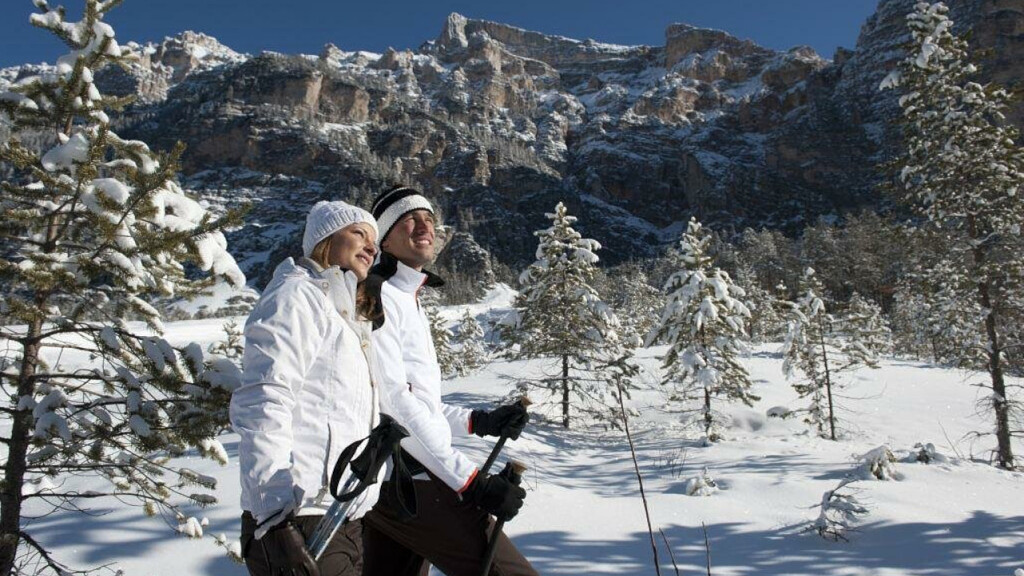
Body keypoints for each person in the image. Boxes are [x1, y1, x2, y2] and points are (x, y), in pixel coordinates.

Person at [361, 185, 539, 576]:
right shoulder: (379, 295)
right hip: (411, 480)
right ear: (385, 239)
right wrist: (471, 482)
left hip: (400, 479)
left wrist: (481, 421)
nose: (424, 226)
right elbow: (393, 404)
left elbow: (418, 401)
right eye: (409, 219)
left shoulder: (406, 295)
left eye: (428, 218)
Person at [231, 200, 382, 576]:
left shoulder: (340, 311)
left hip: (339, 516)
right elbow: (264, 397)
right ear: (325, 239)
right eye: (359, 233)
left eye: (375, 241)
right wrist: (273, 517)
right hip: (298, 516)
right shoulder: (296, 295)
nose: (371, 246)